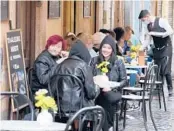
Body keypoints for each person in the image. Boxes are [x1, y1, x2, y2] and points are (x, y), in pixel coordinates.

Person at [52, 40, 96, 130]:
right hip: (79, 110)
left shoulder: (59, 65)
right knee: (91, 103)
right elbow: (91, 93)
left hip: (60, 108)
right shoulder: (83, 66)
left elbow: (52, 88)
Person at [90, 35, 127, 131]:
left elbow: (124, 81)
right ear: (101, 47)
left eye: (109, 48)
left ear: (112, 50)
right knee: (103, 97)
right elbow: (89, 77)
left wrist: (111, 86)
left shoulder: (118, 62)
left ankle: (106, 127)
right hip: (97, 91)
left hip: (114, 92)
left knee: (107, 97)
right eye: (104, 47)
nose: (106, 50)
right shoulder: (94, 60)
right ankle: (108, 127)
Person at [139, 9, 173, 96]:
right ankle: (159, 87)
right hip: (157, 48)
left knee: (166, 68)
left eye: (143, 20)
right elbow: (148, 39)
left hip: (166, 47)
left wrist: (159, 34)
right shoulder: (148, 26)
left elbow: (171, 31)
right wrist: (141, 48)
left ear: (147, 16)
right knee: (157, 68)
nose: (143, 22)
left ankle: (170, 88)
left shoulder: (161, 21)